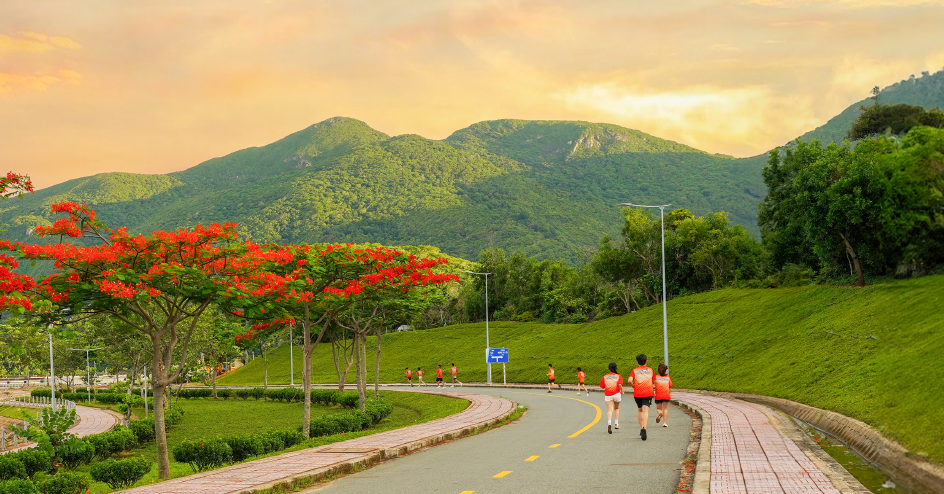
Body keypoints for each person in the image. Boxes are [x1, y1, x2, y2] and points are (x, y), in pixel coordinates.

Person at [629, 354, 655, 441]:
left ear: (637, 362)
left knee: (640, 410)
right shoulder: (650, 370)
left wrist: (633, 386)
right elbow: (654, 381)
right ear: (646, 361)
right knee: (646, 411)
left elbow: (629, 380)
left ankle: (641, 428)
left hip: (638, 393)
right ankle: (644, 428)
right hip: (648, 392)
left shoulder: (635, 370)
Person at [600, 362, 623, 434]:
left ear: (609, 369)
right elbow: (620, 384)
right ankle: (616, 424)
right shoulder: (619, 376)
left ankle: (609, 423)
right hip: (616, 393)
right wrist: (622, 391)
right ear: (616, 368)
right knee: (616, 408)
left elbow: (602, 386)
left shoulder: (605, 377)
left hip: (608, 394)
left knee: (609, 410)